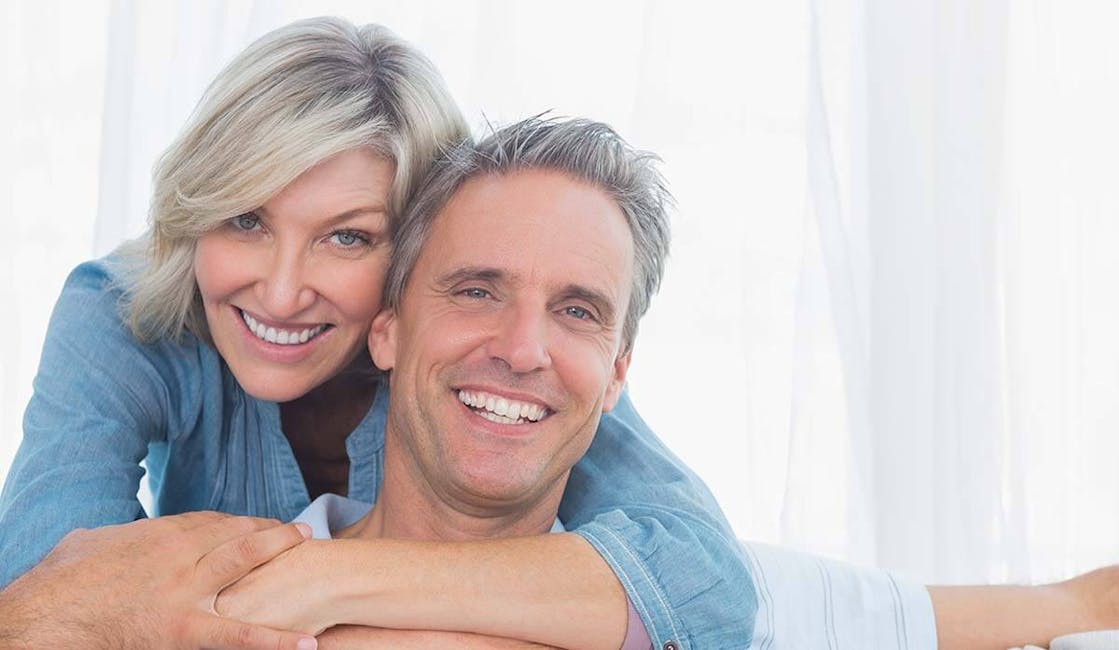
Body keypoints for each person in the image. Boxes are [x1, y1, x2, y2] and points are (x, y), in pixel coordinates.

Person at [214, 117, 1119, 650]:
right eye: (477, 290)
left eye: (576, 310)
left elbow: (949, 613)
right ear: (387, 330)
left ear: (618, 376)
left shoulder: (699, 592)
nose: (523, 349)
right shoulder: (209, 590)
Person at [0, 17, 752, 650]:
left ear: (416, 260)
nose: (283, 292)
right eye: (245, 219)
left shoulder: (501, 361)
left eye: (347, 237)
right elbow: (53, 597)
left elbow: (703, 586)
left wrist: (318, 582)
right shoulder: (125, 312)